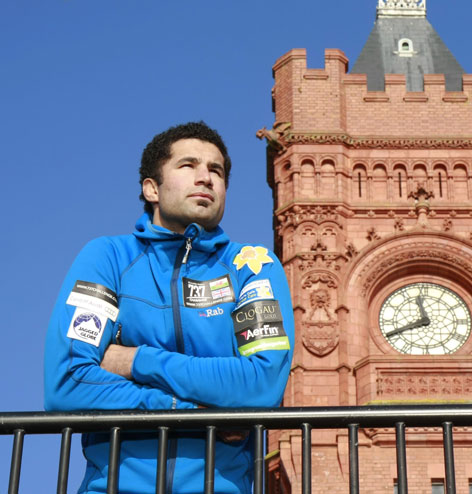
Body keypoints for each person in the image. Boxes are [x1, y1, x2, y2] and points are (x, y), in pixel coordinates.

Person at [44, 121, 294, 494]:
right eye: (188, 165)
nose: (206, 178)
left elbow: (261, 386)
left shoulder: (253, 265)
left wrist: (133, 361)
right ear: (151, 188)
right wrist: (190, 411)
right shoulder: (107, 257)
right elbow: (68, 383)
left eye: (216, 170)